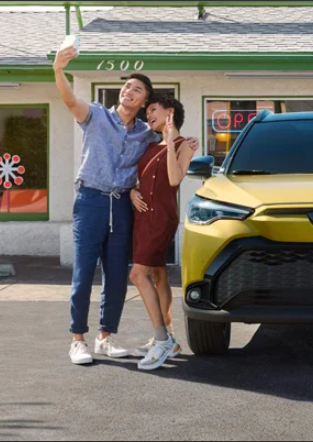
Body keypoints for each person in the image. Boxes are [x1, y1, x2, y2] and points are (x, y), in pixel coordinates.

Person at [53, 44, 198, 365]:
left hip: (120, 206)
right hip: (91, 200)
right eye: (126, 87)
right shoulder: (95, 115)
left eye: (137, 89)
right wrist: (58, 70)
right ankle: (78, 339)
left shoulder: (146, 134)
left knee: (117, 274)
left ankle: (106, 337)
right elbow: (68, 99)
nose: (129, 91)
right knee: (83, 272)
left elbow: (156, 162)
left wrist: (133, 188)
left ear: (145, 100)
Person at [129, 95, 197, 371]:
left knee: (137, 274)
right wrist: (132, 191)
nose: (148, 116)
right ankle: (168, 336)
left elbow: (173, 180)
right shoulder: (148, 145)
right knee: (157, 274)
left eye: (152, 110)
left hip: (161, 218)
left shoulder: (186, 144)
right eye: (146, 113)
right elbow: (138, 179)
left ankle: (162, 339)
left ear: (170, 112)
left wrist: (169, 140)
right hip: (142, 216)